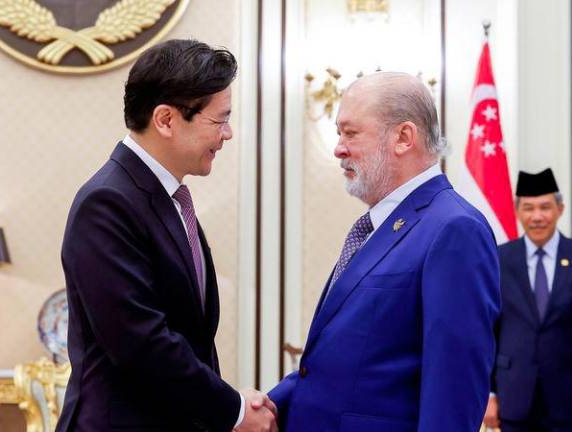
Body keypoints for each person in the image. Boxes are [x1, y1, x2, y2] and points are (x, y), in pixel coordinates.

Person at [56, 39, 276, 432]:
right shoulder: (108, 201)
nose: (227, 134)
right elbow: (141, 342)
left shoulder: (167, 197)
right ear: (166, 119)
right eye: (218, 120)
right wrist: (234, 411)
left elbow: (189, 337)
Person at [268, 72, 501, 431]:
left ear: (403, 137)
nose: (338, 148)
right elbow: (335, 365)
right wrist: (261, 408)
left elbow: (454, 389)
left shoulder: (454, 229)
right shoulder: (378, 225)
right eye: (338, 133)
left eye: (350, 132)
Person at [483, 169, 572, 432]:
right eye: (529, 208)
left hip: (570, 399)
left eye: (545, 207)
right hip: (514, 396)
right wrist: (489, 392)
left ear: (560, 209)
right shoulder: (499, 259)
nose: (537, 216)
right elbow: (488, 331)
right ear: (518, 212)